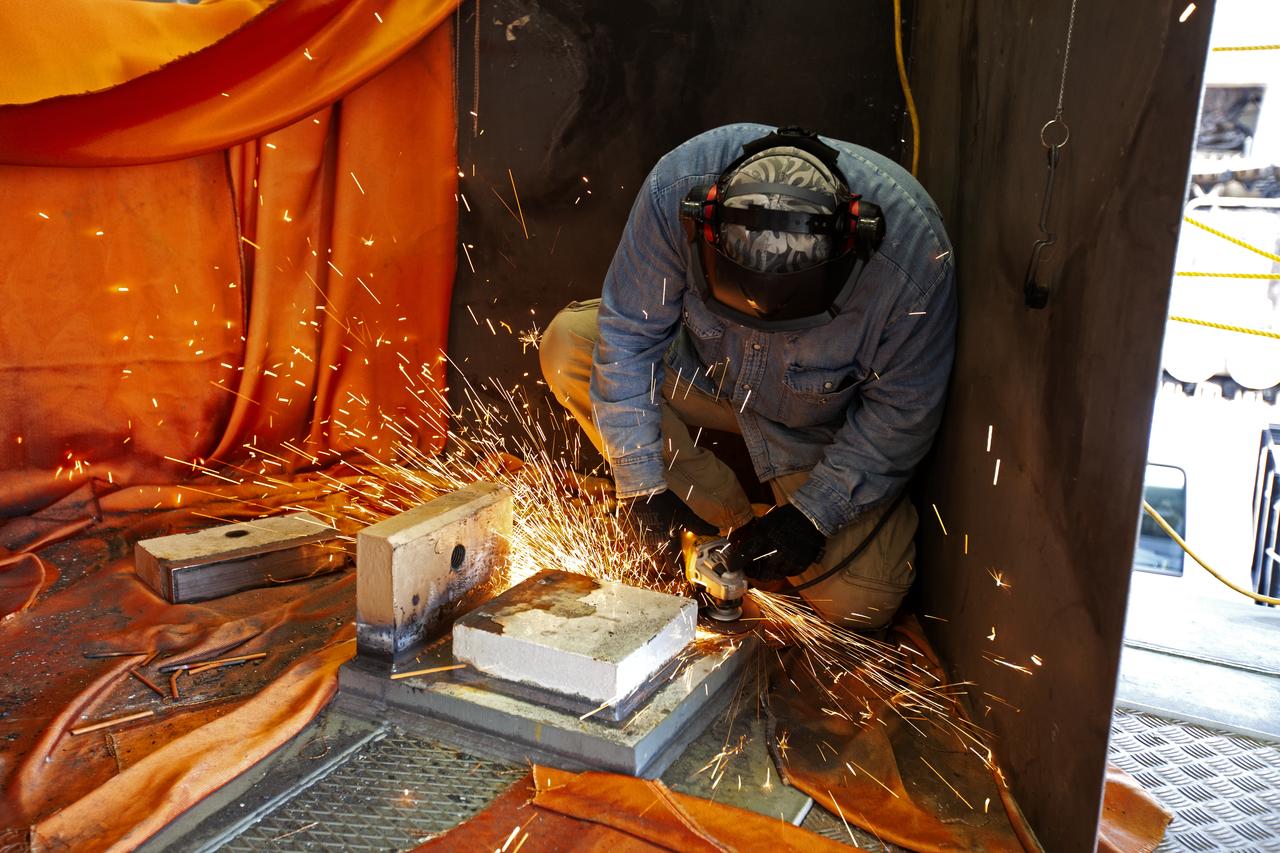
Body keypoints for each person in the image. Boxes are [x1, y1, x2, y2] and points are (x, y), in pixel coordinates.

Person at [539, 124, 955, 630]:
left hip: (816, 424)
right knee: (569, 346)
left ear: (852, 249)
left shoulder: (910, 261)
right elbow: (628, 337)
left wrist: (811, 517)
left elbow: (901, 417)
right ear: (706, 224)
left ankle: (772, 523)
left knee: (863, 599)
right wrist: (641, 482)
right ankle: (725, 520)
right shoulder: (676, 193)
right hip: (705, 373)